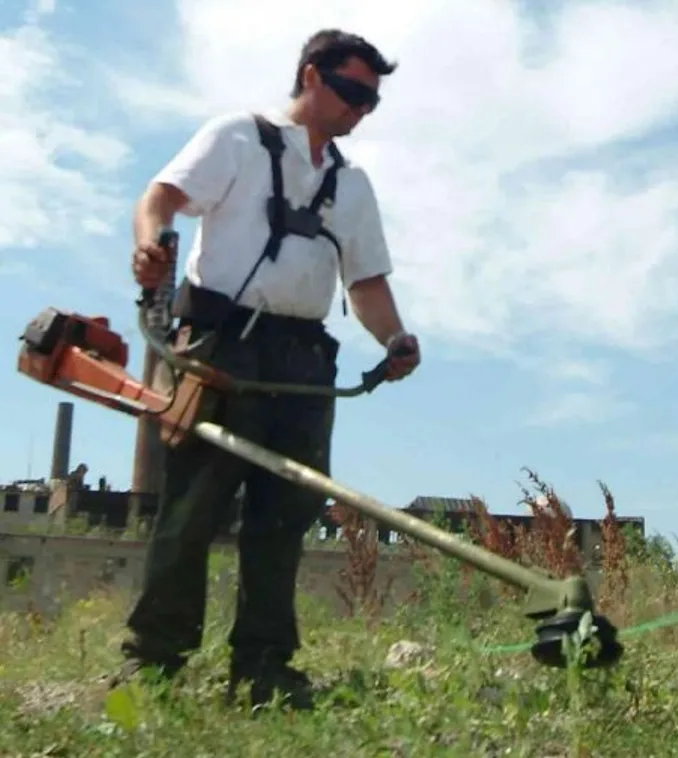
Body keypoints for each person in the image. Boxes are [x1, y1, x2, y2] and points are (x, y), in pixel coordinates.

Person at [116, 29, 420, 710]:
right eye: (351, 92)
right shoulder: (238, 139)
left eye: (371, 101)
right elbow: (160, 198)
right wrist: (147, 246)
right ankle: (155, 663)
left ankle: (263, 669)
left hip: (302, 362)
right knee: (191, 509)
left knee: (285, 516)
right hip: (222, 349)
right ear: (311, 77)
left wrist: (395, 337)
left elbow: (365, 282)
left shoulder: (352, 185)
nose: (360, 110)